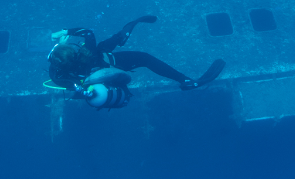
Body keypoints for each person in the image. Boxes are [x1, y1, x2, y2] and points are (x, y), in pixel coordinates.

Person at [44, 15, 226, 109]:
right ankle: (186, 81)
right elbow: (88, 32)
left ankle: (122, 35)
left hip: (98, 69)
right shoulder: (87, 50)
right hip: (109, 62)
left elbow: (66, 83)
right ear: (74, 53)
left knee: (105, 46)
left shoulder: (60, 74)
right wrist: (65, 31)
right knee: (143, 58)